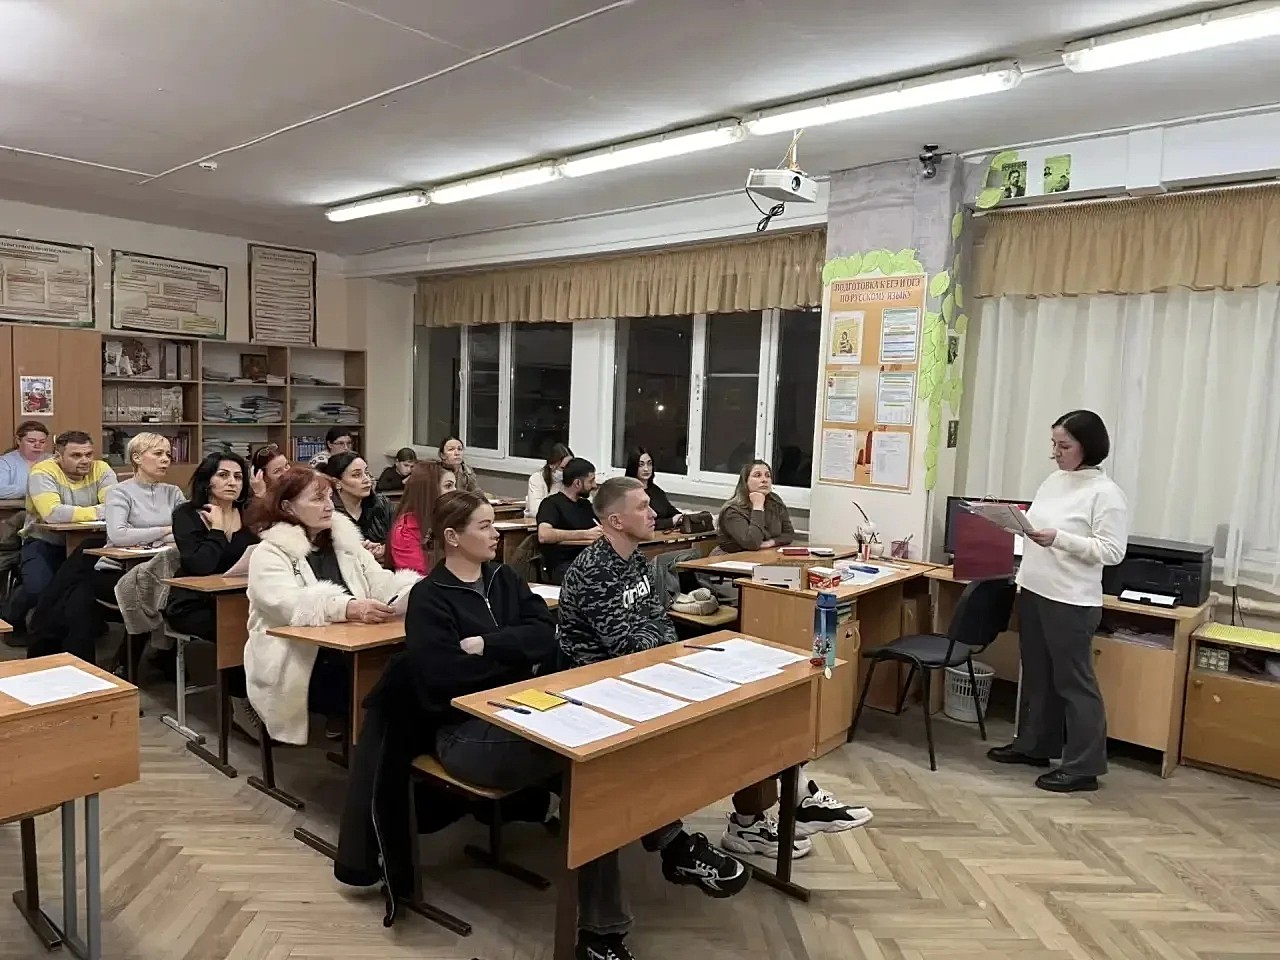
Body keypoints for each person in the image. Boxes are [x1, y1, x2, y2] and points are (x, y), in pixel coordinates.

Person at [408, 492, 747, 960]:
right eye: (485, 526)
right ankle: (664, 856)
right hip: (466, 734)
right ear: (452, 537)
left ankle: (610, 922)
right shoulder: (429, 598)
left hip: (527, 711)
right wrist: (512, 654)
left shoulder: (504, 579)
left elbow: (543, 637)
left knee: (599, 768)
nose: (496, 533)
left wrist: (487, 644)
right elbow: (444, 677)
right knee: (594, 766)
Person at [559, 477, 873, 863]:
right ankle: (768, 813)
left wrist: (657, 641)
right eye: (642, 506)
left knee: (754, 704)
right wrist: (657, 640)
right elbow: (623, 646)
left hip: (648, 671)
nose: (653, 512)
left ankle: (781, 805)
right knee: (719, 728)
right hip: (603, 687)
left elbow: (662, 623)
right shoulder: (595, 570)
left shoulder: (636, 560)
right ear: (616, 521)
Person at [987, 410, 1128, 793]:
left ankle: (1083, 767)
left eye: (1064, 445)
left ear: (1088, 447)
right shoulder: (1054, 481)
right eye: (1054, 444)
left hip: (1070, 601)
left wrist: (1060, 539)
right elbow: (1036, 526)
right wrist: (1014, 525)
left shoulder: (1105, 494)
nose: (1056, 452)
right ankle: (1035, 746)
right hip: (1034, 590)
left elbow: (1112, 551)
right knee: (1037, 677)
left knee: (1074, 683)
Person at [244, 465, 420, 745]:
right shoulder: (270, 553)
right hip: (300, 657)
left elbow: (380, 581)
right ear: (288, 507)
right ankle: (373, 750)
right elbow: (288, 604)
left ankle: (384, 748)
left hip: (353, 648)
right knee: (380, 683)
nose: (328, 506)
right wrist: (349, 607)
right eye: (317, 499)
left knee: (409, 664)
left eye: (329, 498)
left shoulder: (344, 543)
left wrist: (413, 590)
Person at [166, 452, 259, 642]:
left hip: (241, 597)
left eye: (238, 477)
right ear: (207, 481)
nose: (232, 482)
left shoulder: (251, 513)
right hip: (194, 603)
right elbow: (200, 566)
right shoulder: (186, 514)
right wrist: (217, 530)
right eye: (223, 475)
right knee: (235, 627)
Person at [20, 430, 117, 607]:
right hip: (45, 541)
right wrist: (98, 511)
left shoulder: (102, 469)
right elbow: (53, 514)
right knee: (39, 592)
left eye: (89, 454)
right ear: (58, 456)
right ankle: (10, 619)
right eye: (76, 455)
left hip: (90, 543)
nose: (85, 460)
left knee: (85, 591)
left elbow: (115, 507)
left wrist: (81, 513)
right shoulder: (42, 471)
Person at [535, 456, 600, 583]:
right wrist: (585, 534)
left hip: (589, 562)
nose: (594, 485)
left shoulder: (586, 505)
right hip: (564, 565)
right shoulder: (551, 504)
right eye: (591, 481)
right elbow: (544, 535)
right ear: (577, 483)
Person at [322, 452, 394, 562]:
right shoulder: (327, 512)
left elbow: (399, 541)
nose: (366, 479)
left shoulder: (381, 504)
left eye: (367, 473)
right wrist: (358, 553)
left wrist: (386, 549)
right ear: (337, 483)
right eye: (356, 475)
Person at [387, 460, 456, 574]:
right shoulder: (405, 531)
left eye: (454, 485)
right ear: (429, 490)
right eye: (448, 486)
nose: (455, 492)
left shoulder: (449, 518)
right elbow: (419, 575)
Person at [716, 459, 794, 552]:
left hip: (763, 554)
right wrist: (757, 507)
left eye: (768, 476)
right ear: (745, 481)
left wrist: (772, 542)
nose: (764, 480)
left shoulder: (775, 501)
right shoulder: (732, 511)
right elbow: (752, 543)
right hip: (730, 557)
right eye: (757, 475)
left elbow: (789, 534)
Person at [624, 446, 682, 530]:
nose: (646, 469)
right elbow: (640, 524)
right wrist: (670, 522)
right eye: (641, 465)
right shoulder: (628, 493)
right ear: (633, 467)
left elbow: (672, 512)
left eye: (649, 464)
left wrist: (682, 518)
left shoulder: (657, 491)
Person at [0, 421, 50, 500]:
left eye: (42, 442)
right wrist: (34, 490)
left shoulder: (53, 460)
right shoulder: (5, 462)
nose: (37, 445)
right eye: (31, 441)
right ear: (18, 441)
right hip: (15, 507)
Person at [525, 442, 573, 518]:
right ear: (551, 465)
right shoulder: (537, 479)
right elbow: (535, 510)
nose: (566, 472)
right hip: (537, 522)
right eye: (562, 468)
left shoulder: (573, 479)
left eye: (569, 468)